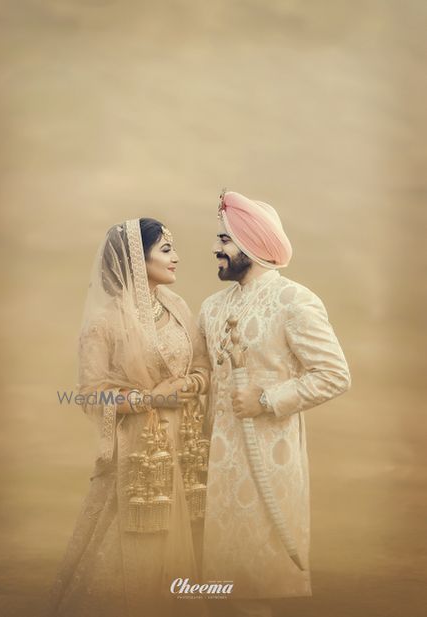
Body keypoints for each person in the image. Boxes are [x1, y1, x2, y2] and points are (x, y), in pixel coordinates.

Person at [47, 218, 210, 617]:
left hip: (184, 441)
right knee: (134, 539)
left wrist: (187, 387)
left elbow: (204, 369)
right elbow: (89, 394)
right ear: (137, 260)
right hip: (138, 445)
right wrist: (147, 400)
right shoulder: (103, 323)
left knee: (182, 536)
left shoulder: (178, 308)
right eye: (166, 250)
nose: (177, 258)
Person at [199, 191, 351, 617]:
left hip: (269, 460)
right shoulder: (211, 308)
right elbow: (200, 379)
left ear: (251, 245)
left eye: (225, 240)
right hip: (215, 466)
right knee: (217, 594)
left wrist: (266, 399)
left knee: (255, 593)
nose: (215, 248)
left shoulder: (294, 300)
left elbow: (334, 375)